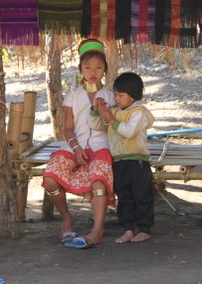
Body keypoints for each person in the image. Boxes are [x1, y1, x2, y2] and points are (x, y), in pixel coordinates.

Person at [42, 39, 115, 249]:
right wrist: (76, 148)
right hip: (74, 146)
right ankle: (67, 219)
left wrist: (106, 112)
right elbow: (67, 129)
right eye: (88, 67)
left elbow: (116, 124)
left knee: (99, 180)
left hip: (102, 147)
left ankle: (97, 230)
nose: (93, 72)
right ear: (80, 68)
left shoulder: (111, 96)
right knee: (50, 178)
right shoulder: (73, 96)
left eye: (98, 67)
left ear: (105, 70)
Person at [90, 72, 155, 244]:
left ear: (133, 95)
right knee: (124, 196)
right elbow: (95, 125)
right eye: (115, 95)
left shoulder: (139, 112)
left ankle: (145, 229)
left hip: (137, 161)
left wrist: (111, 119)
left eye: (121, 95)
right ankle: (128, 229)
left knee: (141, 195)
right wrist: (97, 110)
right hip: (119, 161)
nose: (116, 99)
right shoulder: (114, 112)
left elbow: (128, 131)